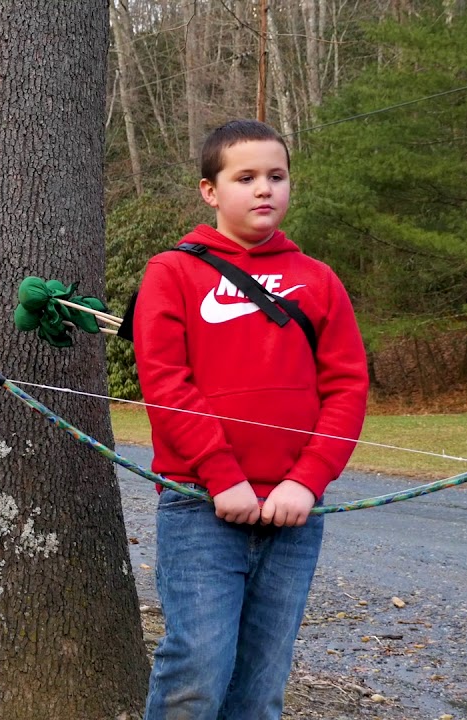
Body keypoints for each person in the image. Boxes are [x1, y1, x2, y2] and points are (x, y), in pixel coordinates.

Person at [133, 120, 369, 719]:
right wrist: (220, 474)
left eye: (276, 176)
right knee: (197, 668)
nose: (264, 189)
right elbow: (165, 384)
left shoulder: (319, 280)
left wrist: (306, 480)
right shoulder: (172, 272)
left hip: (293, 516)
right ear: (210, 191)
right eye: (246, 178)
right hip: (198, 507)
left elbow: (346, 386)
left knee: (262, 683)